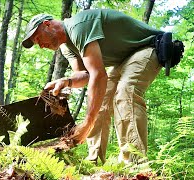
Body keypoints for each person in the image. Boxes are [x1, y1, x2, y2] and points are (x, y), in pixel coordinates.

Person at [22, 9, 164, 164]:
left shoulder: (78, 26)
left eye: (38, 38)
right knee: (99, 103)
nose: (41, 46)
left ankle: (135, 164)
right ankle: (93, 161)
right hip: (123, 60)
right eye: (37, 44)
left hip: (148, 46)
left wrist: (87, 123)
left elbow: (98, 75)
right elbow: (84, 75)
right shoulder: (66, 48)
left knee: (125, 93)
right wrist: (66, 81)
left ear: (47, 25)